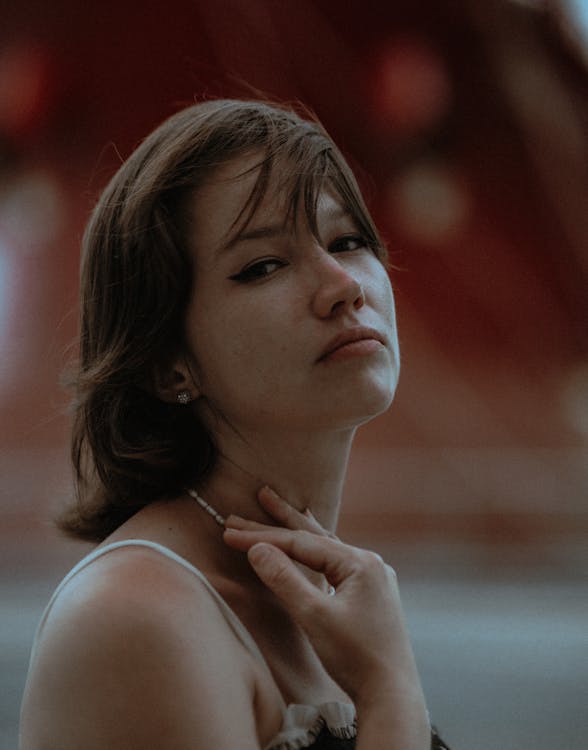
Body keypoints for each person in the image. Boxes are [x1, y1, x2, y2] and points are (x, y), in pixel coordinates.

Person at [19, 99, 451, 749]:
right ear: (169, 365)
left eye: (347, 241)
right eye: (263, 266)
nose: (343, 285)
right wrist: (390, 691)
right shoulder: (136, 620)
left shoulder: (319, 600)